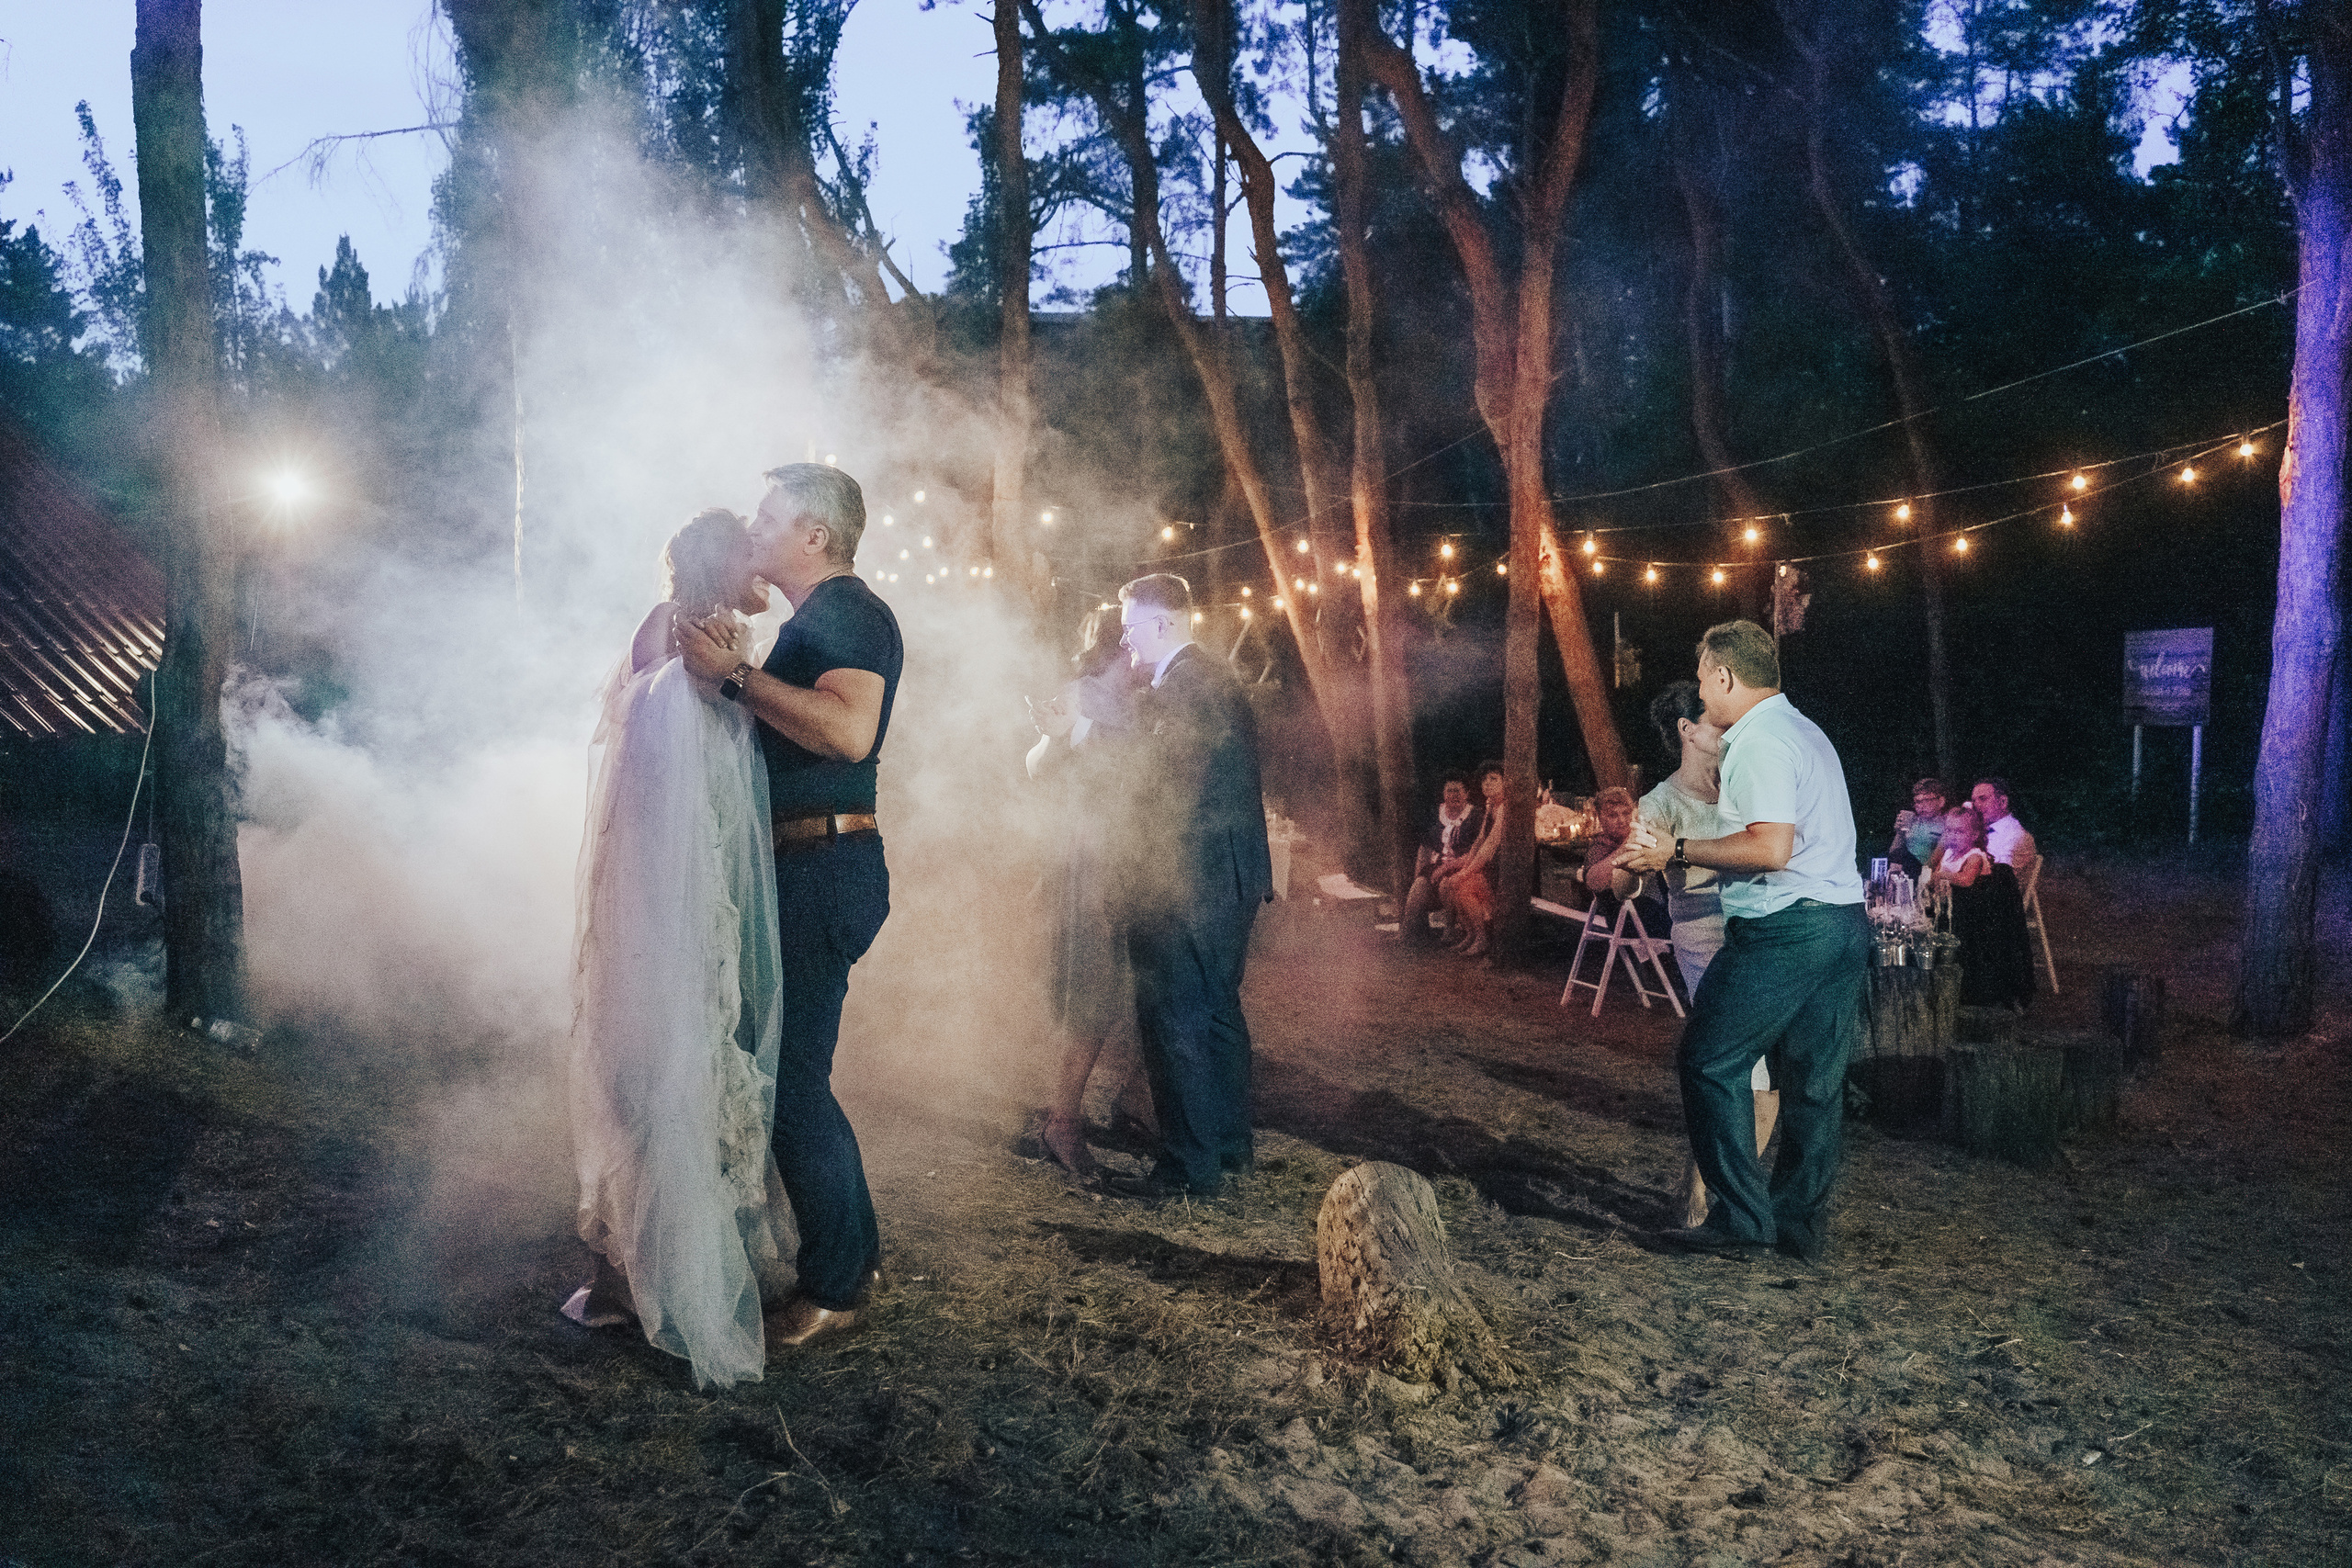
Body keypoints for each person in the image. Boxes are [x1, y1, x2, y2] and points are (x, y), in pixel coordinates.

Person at [680, 463, 900, 1350]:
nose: (756, 525)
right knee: (795, 1077)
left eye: (770, 515)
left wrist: (736, 677)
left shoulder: (849, 610)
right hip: (810, 862)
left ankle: (837, 1287)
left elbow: (847, 731)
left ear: (816, 534)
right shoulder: (819, 618)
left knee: (791, 1084)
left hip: (824, 864)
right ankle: (858, 1258)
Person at [566, 507, 786, 1389]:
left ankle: (651, 1269)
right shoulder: (682, 634)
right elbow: (654, 764)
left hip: (689, 889)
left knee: (679, 1072)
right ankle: (649, 1278)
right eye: (750, 552)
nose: (763, 564)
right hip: (664, 895)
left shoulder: (708, 638)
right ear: (718, 564)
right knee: (660, 1073)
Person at [1612, 619, 1866, 1263]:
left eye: (1703, 679)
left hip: (1785, 927)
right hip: (1841, 921)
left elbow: (1770, 848)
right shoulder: (1806, 731)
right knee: (1812, 1083)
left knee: (1709, 1059)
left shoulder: (1757, 741)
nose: (1700, 692)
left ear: (1725, 677)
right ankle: (1797, 1227)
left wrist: (1676, 850)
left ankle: (1739, 1219)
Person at [1102, 573, 1273, 1200]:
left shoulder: (1186, 685)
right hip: (1229, 874)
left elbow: (1170, 790)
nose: (1125, 639)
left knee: (1174, 1016)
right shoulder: (1213, 676)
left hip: (1189, 879)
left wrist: (1138, 869)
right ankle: (1227, 1148)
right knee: (1218, 1011)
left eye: (1131, 626)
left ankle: (1187, 1166)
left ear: (1163, 623)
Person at [1634, 681, 1777, 1229]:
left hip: (1758, 934)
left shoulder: (1740, 788)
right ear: (1687, 730)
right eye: (1718, 721)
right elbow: (1631, 873)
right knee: (1744, 1074)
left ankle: (1716, 1195)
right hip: (1705, 940)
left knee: (1769, 1080)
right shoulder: (1660, 803)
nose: (1731, 728)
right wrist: (1623, 870)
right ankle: (1702, 1202)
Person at [1024, 607, 1154, 1179]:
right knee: (1094, 993)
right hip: (1098, 859)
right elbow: (1037, 765)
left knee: (1140, 989)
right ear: (1120, 648)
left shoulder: (1145, 697)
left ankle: (1134, 1104)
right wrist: (1057, 739)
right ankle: (1063, 1121)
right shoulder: (1085, 695)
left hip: (1137, 857)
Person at [1929, 805, 2034, 1010]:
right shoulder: (1949, 853)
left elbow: (1967, 881)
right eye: (1949, 830)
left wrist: (1944, 875)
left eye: (1959, 832)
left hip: (1974, 916)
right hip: (1949, 908)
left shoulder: (1975, 856)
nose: (1953, 836)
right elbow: (1933, 872)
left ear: (1974, 835)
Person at [1399, 771, 1485, 947]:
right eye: (1450, 791)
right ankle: (1407, 933)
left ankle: (1449, 931)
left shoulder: (1475, 816)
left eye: (1458, 791)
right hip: (1438, 866)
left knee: (1446, 883)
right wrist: (1420, 873)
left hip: (1464, 866)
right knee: (1419, 885)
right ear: (1444, 794)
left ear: (1467, 794)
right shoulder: (1436, 814)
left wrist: (1446, 868)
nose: (1454, 795)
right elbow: (1425, 847)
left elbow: (1476, 851)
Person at [1434, 761, 1507, 956]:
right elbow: (1480, 841)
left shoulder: (1504, 809)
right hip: (1490, 866)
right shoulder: (1490, 805)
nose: (1487, 783)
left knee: (1463, 886)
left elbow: (1490, 846)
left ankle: (1482, 938)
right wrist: (1465, 866)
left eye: (1494, 779)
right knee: (1450, 883)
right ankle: (1471, 933)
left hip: (1502, 871)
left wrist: (1465, 873)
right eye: (1484, 779)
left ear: (1505, 782)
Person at [1582, 784, 1668, 933]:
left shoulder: (1643, 835)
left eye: (1626, 813)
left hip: (1657, 910)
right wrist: (1626, 846)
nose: (1621, 820)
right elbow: (1592, 881)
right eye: (1612, 815)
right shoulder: (1601, 844)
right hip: (1631, 919)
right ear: (1600, 818)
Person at [1969, 778, 2038, 877]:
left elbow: (1999, 878)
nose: (1977, 805)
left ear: (2003, 802)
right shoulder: (1977, 831)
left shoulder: (2016, 836)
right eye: (1974, 801)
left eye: (1983, 799)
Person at [1886, 777, 1949, 876]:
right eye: (1918, 801)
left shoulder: (1948, 823)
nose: (1922, 806)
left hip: (1928, 870)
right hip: (1906, 869)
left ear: (1941, 801)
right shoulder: (1912, 820)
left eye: (1927, 800)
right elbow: (1893, 854)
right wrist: (1900, 833)